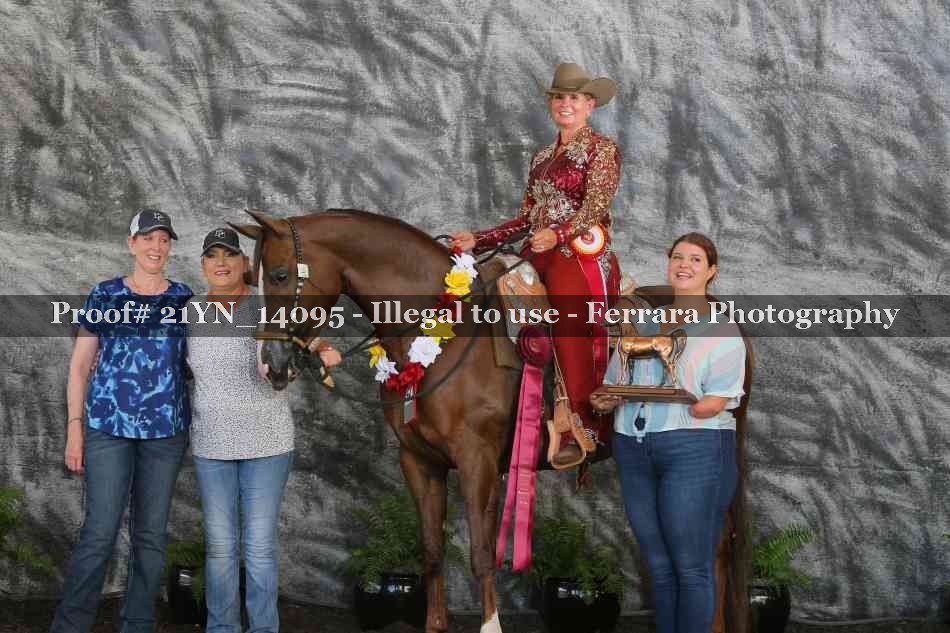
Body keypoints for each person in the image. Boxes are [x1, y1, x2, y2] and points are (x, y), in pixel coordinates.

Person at [451, 62, 622, 468]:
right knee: (485, 289)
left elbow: (595, 207)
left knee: (568, 318)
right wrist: (481, 239)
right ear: (551, 103)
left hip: (579, 253)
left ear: (590, 104)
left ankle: (583, 426)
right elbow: (526, 218)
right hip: (538, 249)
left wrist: (559, 234)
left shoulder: (602, 150)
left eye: (574, 98)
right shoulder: (542, 156)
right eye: (559, 97)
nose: (565, 104)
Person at [187, 227, 341, 633]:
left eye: (229, 255)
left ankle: (263, 629)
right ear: (203, 265)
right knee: (220, 550)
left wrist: (327, 351)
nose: (221, 263)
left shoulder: (268, 305)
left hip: (267, 444)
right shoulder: (190, 312)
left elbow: (314, 341)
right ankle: (221, 629)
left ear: (244, 264)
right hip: (211, 445)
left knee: (258, 549)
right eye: (212, 256)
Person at [594, 232, 745, 633]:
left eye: (695, 259)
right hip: (633, 448)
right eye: (678, 257)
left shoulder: (722, 329)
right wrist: (607, 398)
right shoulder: (644, 323)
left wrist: (702, 402)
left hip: (694, 447)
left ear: (711, 271)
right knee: (660, 568)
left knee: (691, 568)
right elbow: (616, 379)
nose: (684, 265)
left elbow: (717, 399)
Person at [52, 209, 192, 633]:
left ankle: (138, 623)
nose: (156, 247)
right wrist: (74, 428)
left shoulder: (184, 299)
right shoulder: (105, 294)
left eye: (163, 239)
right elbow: (80, 367)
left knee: (150, 537)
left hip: (165, 435)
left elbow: (201, 361)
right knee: (99, 531)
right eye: (148, 238)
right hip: (107, 430)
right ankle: (70, 626)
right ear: (131, 244)